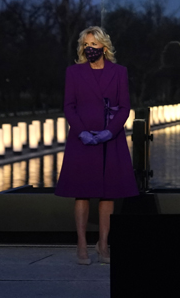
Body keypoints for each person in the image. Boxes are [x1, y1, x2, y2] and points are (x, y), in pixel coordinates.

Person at [55, 26, 138, 265]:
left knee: (108, 193)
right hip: (82, 138)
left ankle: (103, 244)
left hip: (110, 139)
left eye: (93, 44)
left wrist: (109, 132)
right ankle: (81, 244)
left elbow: (124, 107)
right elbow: (69, 106)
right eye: (85, 45)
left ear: (104, 46)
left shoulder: (119, 72)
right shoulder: (73, 72)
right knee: (81, 192)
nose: (89, 48)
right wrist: (81, 132)